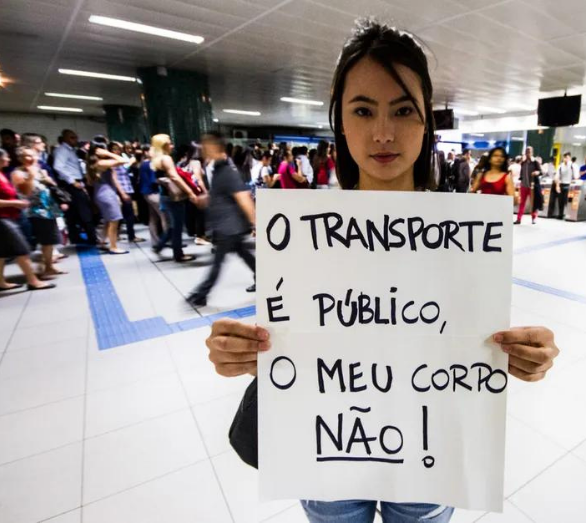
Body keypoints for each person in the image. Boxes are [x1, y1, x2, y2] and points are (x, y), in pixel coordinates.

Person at [204, 20, 560, 523]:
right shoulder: (302, 232)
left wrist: (525, 353)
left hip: (428, 450)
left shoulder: (465, 233)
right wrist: (242, 349)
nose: (384, 132)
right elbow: (290, 335)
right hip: (324, 449)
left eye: (403, 110)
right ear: (341, 124)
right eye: (363, 110)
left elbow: (470, 336)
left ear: (426, 123)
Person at [187, 132, 257, 307]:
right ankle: (267, 278)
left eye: (205, 146)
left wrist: (256, 224)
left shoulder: (227, 171)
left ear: (214, 147)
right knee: (246, 256)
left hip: (229, 227)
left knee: (218, 263)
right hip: (226, 226)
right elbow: (223, 196)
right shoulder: (217, 169)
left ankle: (201, 294)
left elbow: (244, 198)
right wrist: (207, 199)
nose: (202, 150)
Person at [0, 148, 55, 291]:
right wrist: (15, 203)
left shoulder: (2, 174)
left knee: (2, 252)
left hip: (10, 216)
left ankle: (0, 281)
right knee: (21, 249)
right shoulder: (15, 173)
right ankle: (33, 281)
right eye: (6, 157)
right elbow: (24, 191)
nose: (9, 159)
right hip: (3, 218)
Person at [11, 146, 67, 276]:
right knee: (42, 241)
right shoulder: (17, 173)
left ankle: (49, 266)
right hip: (34, 212)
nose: (32, 158)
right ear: (20, 158)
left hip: (48, 209)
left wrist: (47, 179)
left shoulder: (39, 170)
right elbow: (26, 192)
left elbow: (52, 186)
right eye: (28, 155)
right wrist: (31, 176)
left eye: (34, 155)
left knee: (50, 241)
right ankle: (40, 269)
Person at [150, 134, 201, 262]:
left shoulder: (156, 159)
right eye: (170, 143)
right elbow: (174, 177)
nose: (172, 146)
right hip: (174, 197)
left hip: (165, 195)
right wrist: (190, 192)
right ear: (164, 146)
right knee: (177, 226)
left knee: (174, 225)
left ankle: (159, 246)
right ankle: (178, 254)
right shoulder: (166, 158)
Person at [88, 142, 134, 254]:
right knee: (114, 220)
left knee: (109, 220)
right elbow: (124, 160)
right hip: (106, 194)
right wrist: (108, 153)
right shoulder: (100, 163)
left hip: (103, 193)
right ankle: (113, 247)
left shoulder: (95, 163)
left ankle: (103, 242)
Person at [53, 129, 98, 244]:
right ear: (65, 138)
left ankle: (75, 237)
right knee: (85, 212)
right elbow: (58, 166)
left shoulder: (72, 150)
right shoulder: (62, 150)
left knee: (73, 213)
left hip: (76, 182)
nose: (75, 140)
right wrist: (72, 181)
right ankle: (92, 238)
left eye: (76, 137)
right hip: (72, 184)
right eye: (72, 137)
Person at [108, 141, 143, 243]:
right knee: (127, 214)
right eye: (115, 149)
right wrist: (122, 193)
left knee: (126, 214)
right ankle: (130, 236)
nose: (118, 151)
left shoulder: (121, 157)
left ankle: (123, 235)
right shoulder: (112, 161)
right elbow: (117, 176)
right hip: (121, 189)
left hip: (127, 187)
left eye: (119, 149)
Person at [178, 143, 210, 246]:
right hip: (197, 192)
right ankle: (200, 236)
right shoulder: (196, 163)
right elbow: (198, 180)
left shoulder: (182, 163)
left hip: (187, 192)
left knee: (193, 214)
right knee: (200, 214)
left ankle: (198, 234)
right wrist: (205, 192)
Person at [138, 145, 167, 246]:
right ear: (146, 152)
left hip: (146, 192)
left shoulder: (143, 164)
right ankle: (166, 240)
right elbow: (153, 180)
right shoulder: (150, 164)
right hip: (153, 192)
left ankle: (155, 241)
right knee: (164, 216)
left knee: (153, 218)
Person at [516, 146, 541, 225]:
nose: (528, 153)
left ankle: (533, 218)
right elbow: (521, 173)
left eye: (529, 152)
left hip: (532, 186)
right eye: (526, 152)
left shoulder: (535, 162)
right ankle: (518, 219)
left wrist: (537, 173)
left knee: (533, 203)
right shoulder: (523, 163)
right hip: (524, 185)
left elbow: (540, 171)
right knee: (522, 202)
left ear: (532, 152)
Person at [549, 152, 575, 219]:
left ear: (569, 158)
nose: (565, 159)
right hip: (562, 184)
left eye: (567, 157)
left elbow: (576, 176)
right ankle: (560, 214)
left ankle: (567, 214)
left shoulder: (573, 166)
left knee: (567, 201)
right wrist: (557, 186)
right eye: (564, 157)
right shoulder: (560, 166)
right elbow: (557, 176)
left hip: (569, 185)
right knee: (560, 201)